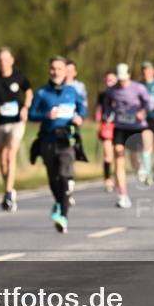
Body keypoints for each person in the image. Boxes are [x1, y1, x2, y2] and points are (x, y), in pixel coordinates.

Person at [28, 56, 86, 232]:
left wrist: (79, 117)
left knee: (65, 175)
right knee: (54, 178)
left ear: (65, 71)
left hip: (67, 139)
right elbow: (31, 114)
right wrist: (46, 116)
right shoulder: (42, 93)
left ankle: (63, 217)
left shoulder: (72, 91)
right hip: (48, 139)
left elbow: (81, 108)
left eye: (59, 69)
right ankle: (59, 203)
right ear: (49, 70)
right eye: (53, 68)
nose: (56, 72)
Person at [0, 47, 33, 212]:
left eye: (6, 59)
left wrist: (25, 107)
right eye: (0, 60)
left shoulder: (19, 76)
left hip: (16, 122)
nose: (3, 63)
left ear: (12, 60)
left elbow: (29, 92)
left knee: (11, 154)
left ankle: (9, 193)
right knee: (2, 159)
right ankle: (8, 187)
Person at [107, 63, 153, 208]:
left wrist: (143, 112)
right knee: (118, 156)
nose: (122, 83)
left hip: (136, 126)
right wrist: (107, 114)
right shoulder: (112, 91)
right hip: (120, 126)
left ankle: (141, 169)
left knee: (134, 158)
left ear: (129, 76)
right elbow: (107, 105)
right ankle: (123, 195)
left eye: (124, 80)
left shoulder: (138, 88)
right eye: (119, 80)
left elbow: (149, 103)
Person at [64, 60, 88, 201]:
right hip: (58, 125)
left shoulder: (79, 87)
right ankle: (65, 184)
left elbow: (83, 104)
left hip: (73, 124)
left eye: (70, 70)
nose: (68, 73)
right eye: (66, 70)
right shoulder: (56, 87)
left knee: (70, 153)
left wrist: (80, 116)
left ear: (75, 72)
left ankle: (69, 184)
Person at [94, 71, 118, 192]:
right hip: (107, 127)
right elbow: (98, 110)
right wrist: (99, 121)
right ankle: (107, 179)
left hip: (119, 126)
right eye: (108, 80)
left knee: (118, 153)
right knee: (108, 154)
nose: (110, 83)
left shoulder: (122, 94)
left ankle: (118, 178)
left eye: (113, 80)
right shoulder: (102, 95)